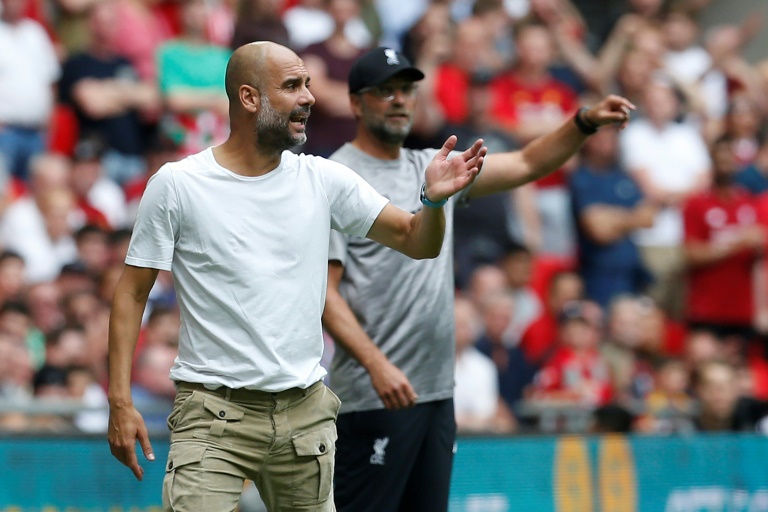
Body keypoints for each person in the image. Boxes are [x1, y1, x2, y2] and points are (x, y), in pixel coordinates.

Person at [106, 41, 486, 512]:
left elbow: (417, 240)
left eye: (307, 84)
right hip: (211, 416)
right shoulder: (178, 184)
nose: (308, 96)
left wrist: (432, 201)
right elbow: (130, 294)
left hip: (305, 416)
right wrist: (120, 401)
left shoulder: (323, 179)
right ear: (249, 98)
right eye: (292, 85)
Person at [323, 46, 634, 512]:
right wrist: (376, 364)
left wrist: (582, 122)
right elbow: (323, 294)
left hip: (435, 392)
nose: (399, 100)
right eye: (383, 92)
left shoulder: (432, 165)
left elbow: (528, 163)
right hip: (374, 396)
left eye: (406, 89)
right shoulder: (334, 177)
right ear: (355, 103)